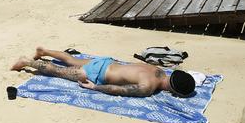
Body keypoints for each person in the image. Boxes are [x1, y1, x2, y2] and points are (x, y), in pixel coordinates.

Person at [11, 46, 195, 98]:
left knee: (71, 59)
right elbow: (119, 90)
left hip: (106, 62)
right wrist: (94, 87)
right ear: (174, 91)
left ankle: (44, 51)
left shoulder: (159, 70)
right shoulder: (148, 87)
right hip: (97, 74)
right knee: (58, 71)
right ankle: (26, 61)